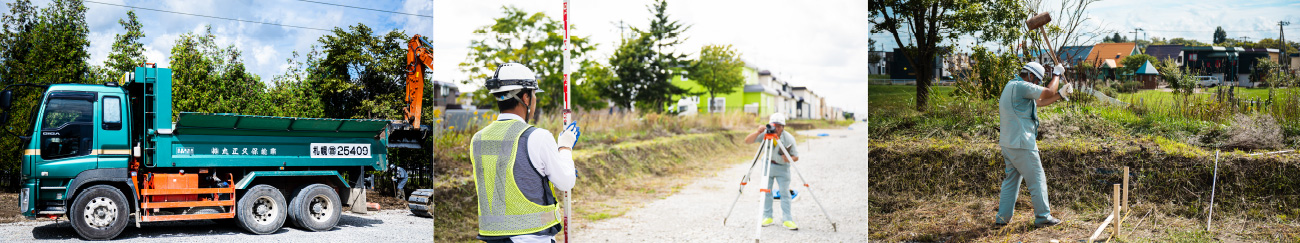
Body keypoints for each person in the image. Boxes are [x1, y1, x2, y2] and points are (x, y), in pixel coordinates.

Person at [470, 63, 581, 243]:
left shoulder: (478, 139)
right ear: (526, 98)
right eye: (534, 94)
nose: (535, 100)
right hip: (532, 237)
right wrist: (565, 147)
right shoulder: (537, 137)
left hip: (492, 238)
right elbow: (566, 181)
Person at [995, 62, 1072, 227]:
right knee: (1037, 179)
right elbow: (1047, 92)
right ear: (1030, 76)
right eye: (1036, 81)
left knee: (1011, 181)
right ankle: (1043, 217)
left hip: (1008, 143)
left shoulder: (1012, 86)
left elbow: (1040, 102)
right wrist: (1057, 74)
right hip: (1022, 143)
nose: (1036, 84)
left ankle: (1002, 219)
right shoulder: (1021, 86)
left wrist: (1060, 94)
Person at [743, 113, 800, 230]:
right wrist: (758, 132)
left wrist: (788, 158)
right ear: (770, 125)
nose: (776, 128)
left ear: (783, 127)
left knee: (784, 193)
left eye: (779, 126)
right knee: (766, 192)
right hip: (767, 165)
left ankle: (787, 219)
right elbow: (747, 141)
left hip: (782, 168)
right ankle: (767, 216)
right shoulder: (765, 134)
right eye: (774, 125)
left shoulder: (789, 138)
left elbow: (796, 157)